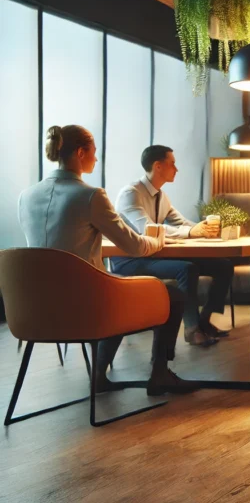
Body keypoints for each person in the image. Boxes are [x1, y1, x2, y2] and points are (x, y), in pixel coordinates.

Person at [17, 125, 196, 395]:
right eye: (94, 153)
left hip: (33, 310)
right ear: (81, 152)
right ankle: (159, 373)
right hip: (87, 306)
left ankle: (99, 375)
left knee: (116, 286)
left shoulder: (26, 196)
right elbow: (134, 246)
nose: (97, 159)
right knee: (169, 293)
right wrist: (158, 240)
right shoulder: (90, 196)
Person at [111, 145, 234, 348]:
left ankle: (204, 321)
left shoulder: (161, 196)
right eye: (173, 164)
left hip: (154, 255)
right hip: (131, 259)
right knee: (187, 269)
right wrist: (191, 232)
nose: (176, 169)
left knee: (223, 265)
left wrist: (203, 229)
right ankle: (192, 330)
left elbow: (181, 222)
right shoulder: (130, 194)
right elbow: (147, 229)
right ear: (158, 166)